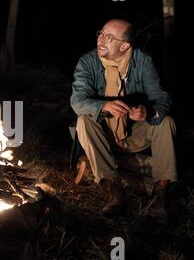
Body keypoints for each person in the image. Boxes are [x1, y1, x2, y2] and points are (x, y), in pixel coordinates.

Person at [70, 19, 177, 224]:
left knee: (166, 121)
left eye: (109, 38)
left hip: (134, 132)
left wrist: (148, 111)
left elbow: (162, 97)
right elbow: (77, 100)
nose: (101, 40)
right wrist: (103, 106)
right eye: (100, 33)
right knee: (83, 120)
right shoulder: (87, 62)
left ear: (124, 46)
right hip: (104, 136)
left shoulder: (143, 61)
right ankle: (114, 192)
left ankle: (158, 195)